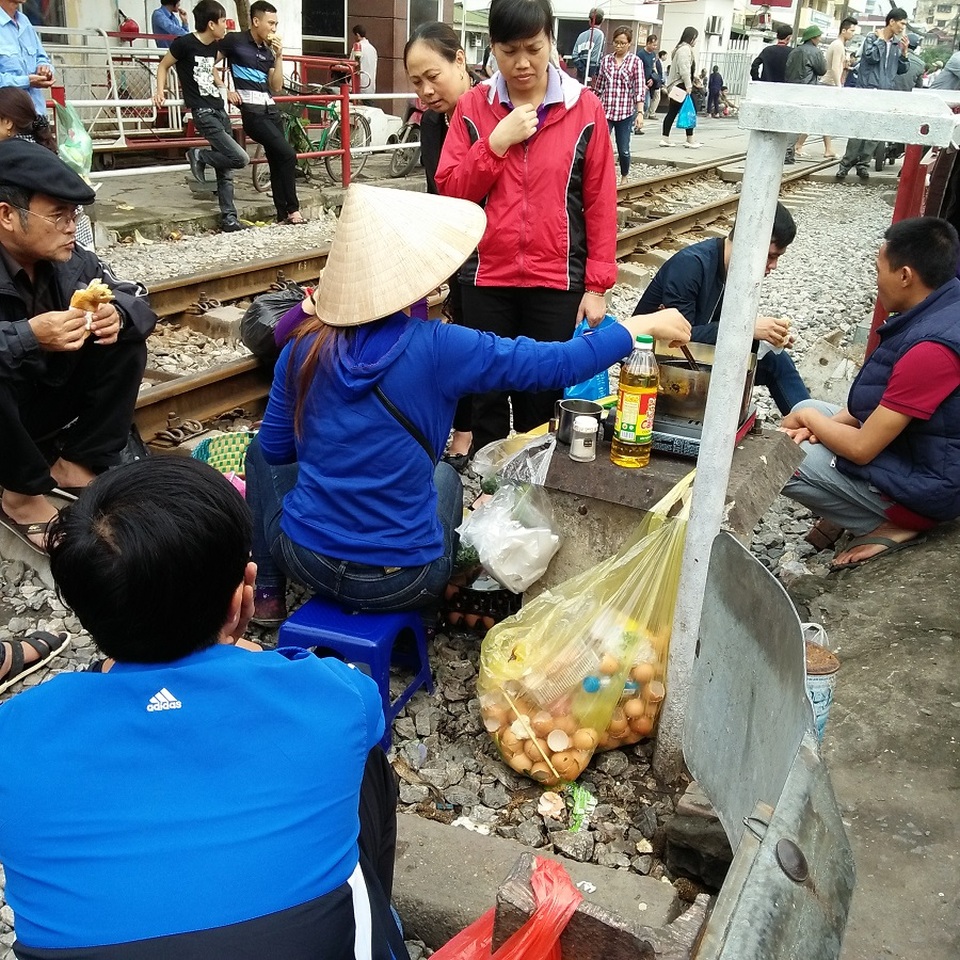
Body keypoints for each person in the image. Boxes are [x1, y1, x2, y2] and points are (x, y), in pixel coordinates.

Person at [0, 456, 408, 959]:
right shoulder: (333, 695)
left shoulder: (13, 732)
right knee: (365, 763)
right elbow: (358, 704)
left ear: (88, 606)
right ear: (244, 595)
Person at [246, 183, 690, 626]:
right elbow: (557, 363)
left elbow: (278, 452)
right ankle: (423, 609)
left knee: (258, 450)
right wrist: (641, 325)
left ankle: (268, 589)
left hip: (303, 560)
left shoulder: (300, 348)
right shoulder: (442, 347)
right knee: (444, 477)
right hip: (402, 580)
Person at [434, 0, 619, 453]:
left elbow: (600, 203)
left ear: (551, 41)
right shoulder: (474, 110)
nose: (522, 63)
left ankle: (536, 492)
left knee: (544, 398)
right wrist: (494, 145)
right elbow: (450, 194)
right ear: (490, 49)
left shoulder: (585, 109)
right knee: (487, 397)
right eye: (508, 50)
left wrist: (597, 285)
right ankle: (490, 497)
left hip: (556, 279)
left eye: (533, 48)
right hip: (485, 277)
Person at [0, 139, 155, 557]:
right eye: (58, 216)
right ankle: (19, 494)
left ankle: (76, 462)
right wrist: (30, 335)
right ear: (7, 215)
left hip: (36, 405)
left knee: (124, 339)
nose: (71, 227)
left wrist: (119, 315)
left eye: (74, 215)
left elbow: (137, 299)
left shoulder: (74, 258)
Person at [781, 218, 960, 570]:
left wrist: (809, 422)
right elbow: (877, 402)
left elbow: (862, 449)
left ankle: (899, 523)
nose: (876, 280)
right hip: (923, 458)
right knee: (807, 407)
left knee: (781, 456)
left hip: (933, 490)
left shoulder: (932, 349)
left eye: (879, 270)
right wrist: (818, 423)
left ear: (906, 275)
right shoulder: (941, 309)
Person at [632, 201, 810, 416]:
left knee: (775, 360)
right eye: (770, 256)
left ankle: (809, 423)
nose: (773, 266)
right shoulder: (691, 265)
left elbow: (721, 329)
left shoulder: (741, 271)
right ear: (747, 243)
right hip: (655, 363)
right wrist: (747, 328)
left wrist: (767, 335)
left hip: (698, 360)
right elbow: (678, 339)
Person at [403, 22, 476, 470]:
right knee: (460, 332)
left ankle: (484, 432)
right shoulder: (431, 121)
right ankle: (465, 428)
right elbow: (437, 189)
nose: (426, 90)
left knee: (487, 341)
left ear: (460, 61)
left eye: (433, 76)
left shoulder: (489, 107)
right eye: (416, 82)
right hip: (455, 241)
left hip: (497, 245)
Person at [154, 0, 251, 233]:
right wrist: (159, 92)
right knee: (240, 158)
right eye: (222, 22)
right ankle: (199, 155)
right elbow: (163, 66)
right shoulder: (185, 43)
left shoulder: (212, 48)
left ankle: (229, 218)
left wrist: (224, 88)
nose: (225, 27)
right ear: (211, 24)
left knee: (226, 170)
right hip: (203, 111)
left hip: (219, 109)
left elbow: (210, 69)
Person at [220, 1, 303, 225]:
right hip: (253, 112)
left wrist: (279, 55)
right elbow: (208, 64)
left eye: (276, 24)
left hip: (271, 109)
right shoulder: (235, 41)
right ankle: (293, 210)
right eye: (271, 23)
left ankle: (282, 214)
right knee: (288, 154)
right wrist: (224, 89)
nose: (274, 28)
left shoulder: (268, 50)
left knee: (278, 160)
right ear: (256, 21)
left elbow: (276, 86)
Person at [836, 8, 909, 183]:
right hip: (867, 89)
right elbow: (871, 57)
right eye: (902, 23)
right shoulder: (872, 38)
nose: (902, 28)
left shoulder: (897, 44)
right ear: (892, 21)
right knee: (858, 128)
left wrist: (904, 53)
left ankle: (863, 164)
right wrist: (881, 40)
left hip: (885, 92)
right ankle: (845, 165)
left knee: (875, 130)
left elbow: (901, 70)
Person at [593, 26, 645, 181]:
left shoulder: (635, 62)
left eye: (623, 43)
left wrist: (640, 113)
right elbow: (599, 86)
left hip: (625, 113)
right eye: (616, 42)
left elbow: (639, 88)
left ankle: (624, 175)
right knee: (600, 147)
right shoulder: (606, 60)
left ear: (629, 44)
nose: (619, 46)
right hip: (606, 111)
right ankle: (602, 177)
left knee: (623, 149)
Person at [0, 0, 53, 116]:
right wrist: (27, 81)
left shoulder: (25, 22)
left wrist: (45, 70)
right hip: (8, 121)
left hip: (37, 115)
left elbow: (42, 57)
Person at [786, 26, 829, 161]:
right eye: (818, 37)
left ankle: (787, 150)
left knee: (790, 120)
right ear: (813, 38)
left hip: (792, 89)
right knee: (799, 123)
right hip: (808, 90)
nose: (820, 39)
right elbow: (822, 70)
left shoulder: (795, 51)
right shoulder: (815, 52)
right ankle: (788, 152)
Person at [660, 26, 701, 149]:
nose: (696, 41)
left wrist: (695, 78)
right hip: (681, 86)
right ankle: (690, 139)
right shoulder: (684, 50)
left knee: (672, 112)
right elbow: (684, 69)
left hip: (676, 85)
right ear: (692, 38)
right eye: (695, 38)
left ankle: (665, 138)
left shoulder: (680, 48)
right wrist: (689, 85)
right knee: (690, 110)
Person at [572, 6, 604, 84]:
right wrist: (590, 73)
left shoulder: (581, 35)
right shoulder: (600, 35)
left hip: (580, 71)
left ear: (589, 20)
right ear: (603, 20)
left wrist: (581, 69)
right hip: (591, 73)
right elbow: (595, 59)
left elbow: (574, 55)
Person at [824, 16, 858, 89]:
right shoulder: (838, 45)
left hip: (831, 84)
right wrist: (838, 86)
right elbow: (835, 68)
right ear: (843, 31)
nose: (853, 34)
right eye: (852, 31)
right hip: (829, 84)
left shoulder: (839, 44)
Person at [636, 34, 660, 119]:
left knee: (647, 103)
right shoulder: (640, 54)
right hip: (641, 82)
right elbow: (638, 69)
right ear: (648, 43)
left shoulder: (653, 54)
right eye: (653, 45)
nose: (655, 47)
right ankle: (634, 121)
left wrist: (653, 79)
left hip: (649, 81)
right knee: (644, 104)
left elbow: (653, 67)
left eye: (656, 45)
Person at [352, 24, 378, 100]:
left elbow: (351, 64)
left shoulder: (357, 47)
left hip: (359, 86)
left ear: (357, 35)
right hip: (370, 86)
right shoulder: (373, 49)